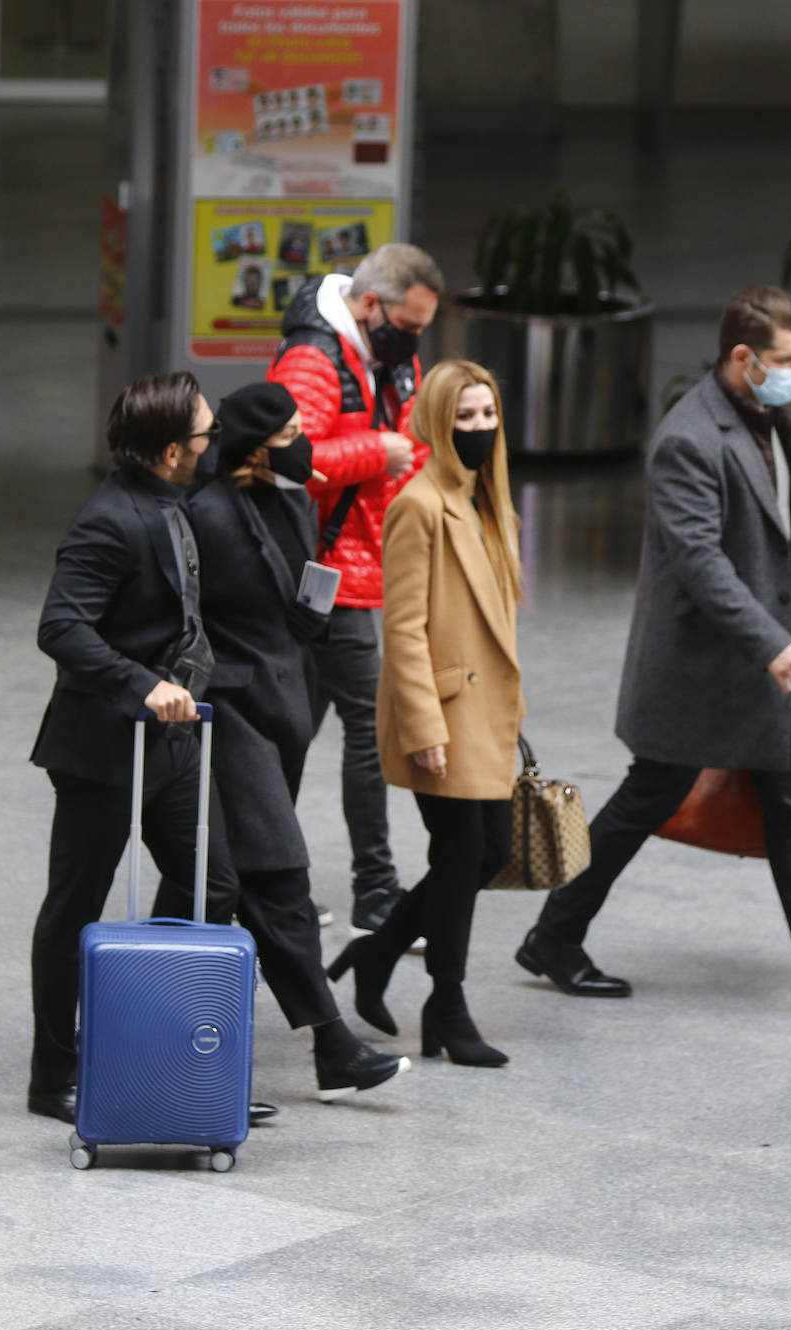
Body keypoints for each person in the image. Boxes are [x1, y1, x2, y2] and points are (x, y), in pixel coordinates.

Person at [515, 284, 791, 1021]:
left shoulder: (769, 412)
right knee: (648, 798)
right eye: (786, 359)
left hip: (773, 665)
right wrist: (772, 643)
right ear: (742, 358)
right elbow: (699, 562)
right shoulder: (687, 440)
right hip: (707, 670)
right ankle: (555, 933)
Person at [154, 382, 411, 1099]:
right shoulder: (202, 515)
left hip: (281, 706)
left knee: (207, 878)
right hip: (228, 712)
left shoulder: (294, 500)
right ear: (256, 446)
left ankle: (137, 1017)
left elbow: (299, 597)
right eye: (292, 431)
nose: (304, 442)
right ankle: (331, 1041)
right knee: (277, 871)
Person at [27, 372, 249, 1125]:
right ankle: (54, 1075)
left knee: (210, 887)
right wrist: (140, 684)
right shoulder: (108, 520)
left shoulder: (169, 500)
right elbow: (61, 627)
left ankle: (168, 1047)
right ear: (168, 453)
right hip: (103, 749)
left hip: (175, 743)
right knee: (74, 908)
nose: (212, 446)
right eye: (204, 436)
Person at [328, 361, 524, 1065]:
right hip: (438, 714)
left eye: (486, 414)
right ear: (437, 424)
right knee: (464, 852)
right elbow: (403, 626)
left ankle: (376, 953)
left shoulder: (487, 498)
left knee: (488, 852)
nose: (478, 428)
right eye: (463, 417)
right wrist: (424, 729)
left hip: (482, 710)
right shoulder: (419, 504)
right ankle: (447, 1001)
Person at [266, 242, 444, 933]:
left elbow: (413, 440)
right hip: (323, 577)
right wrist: (378, 453)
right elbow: (285, 463)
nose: (417, 338)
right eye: (411, 323)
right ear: (371, 306)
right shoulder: (314, 361)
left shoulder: (388, 358)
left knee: (290, 731)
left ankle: (267, 880)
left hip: (360, 568)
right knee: (368, 733)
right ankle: (376, 891)